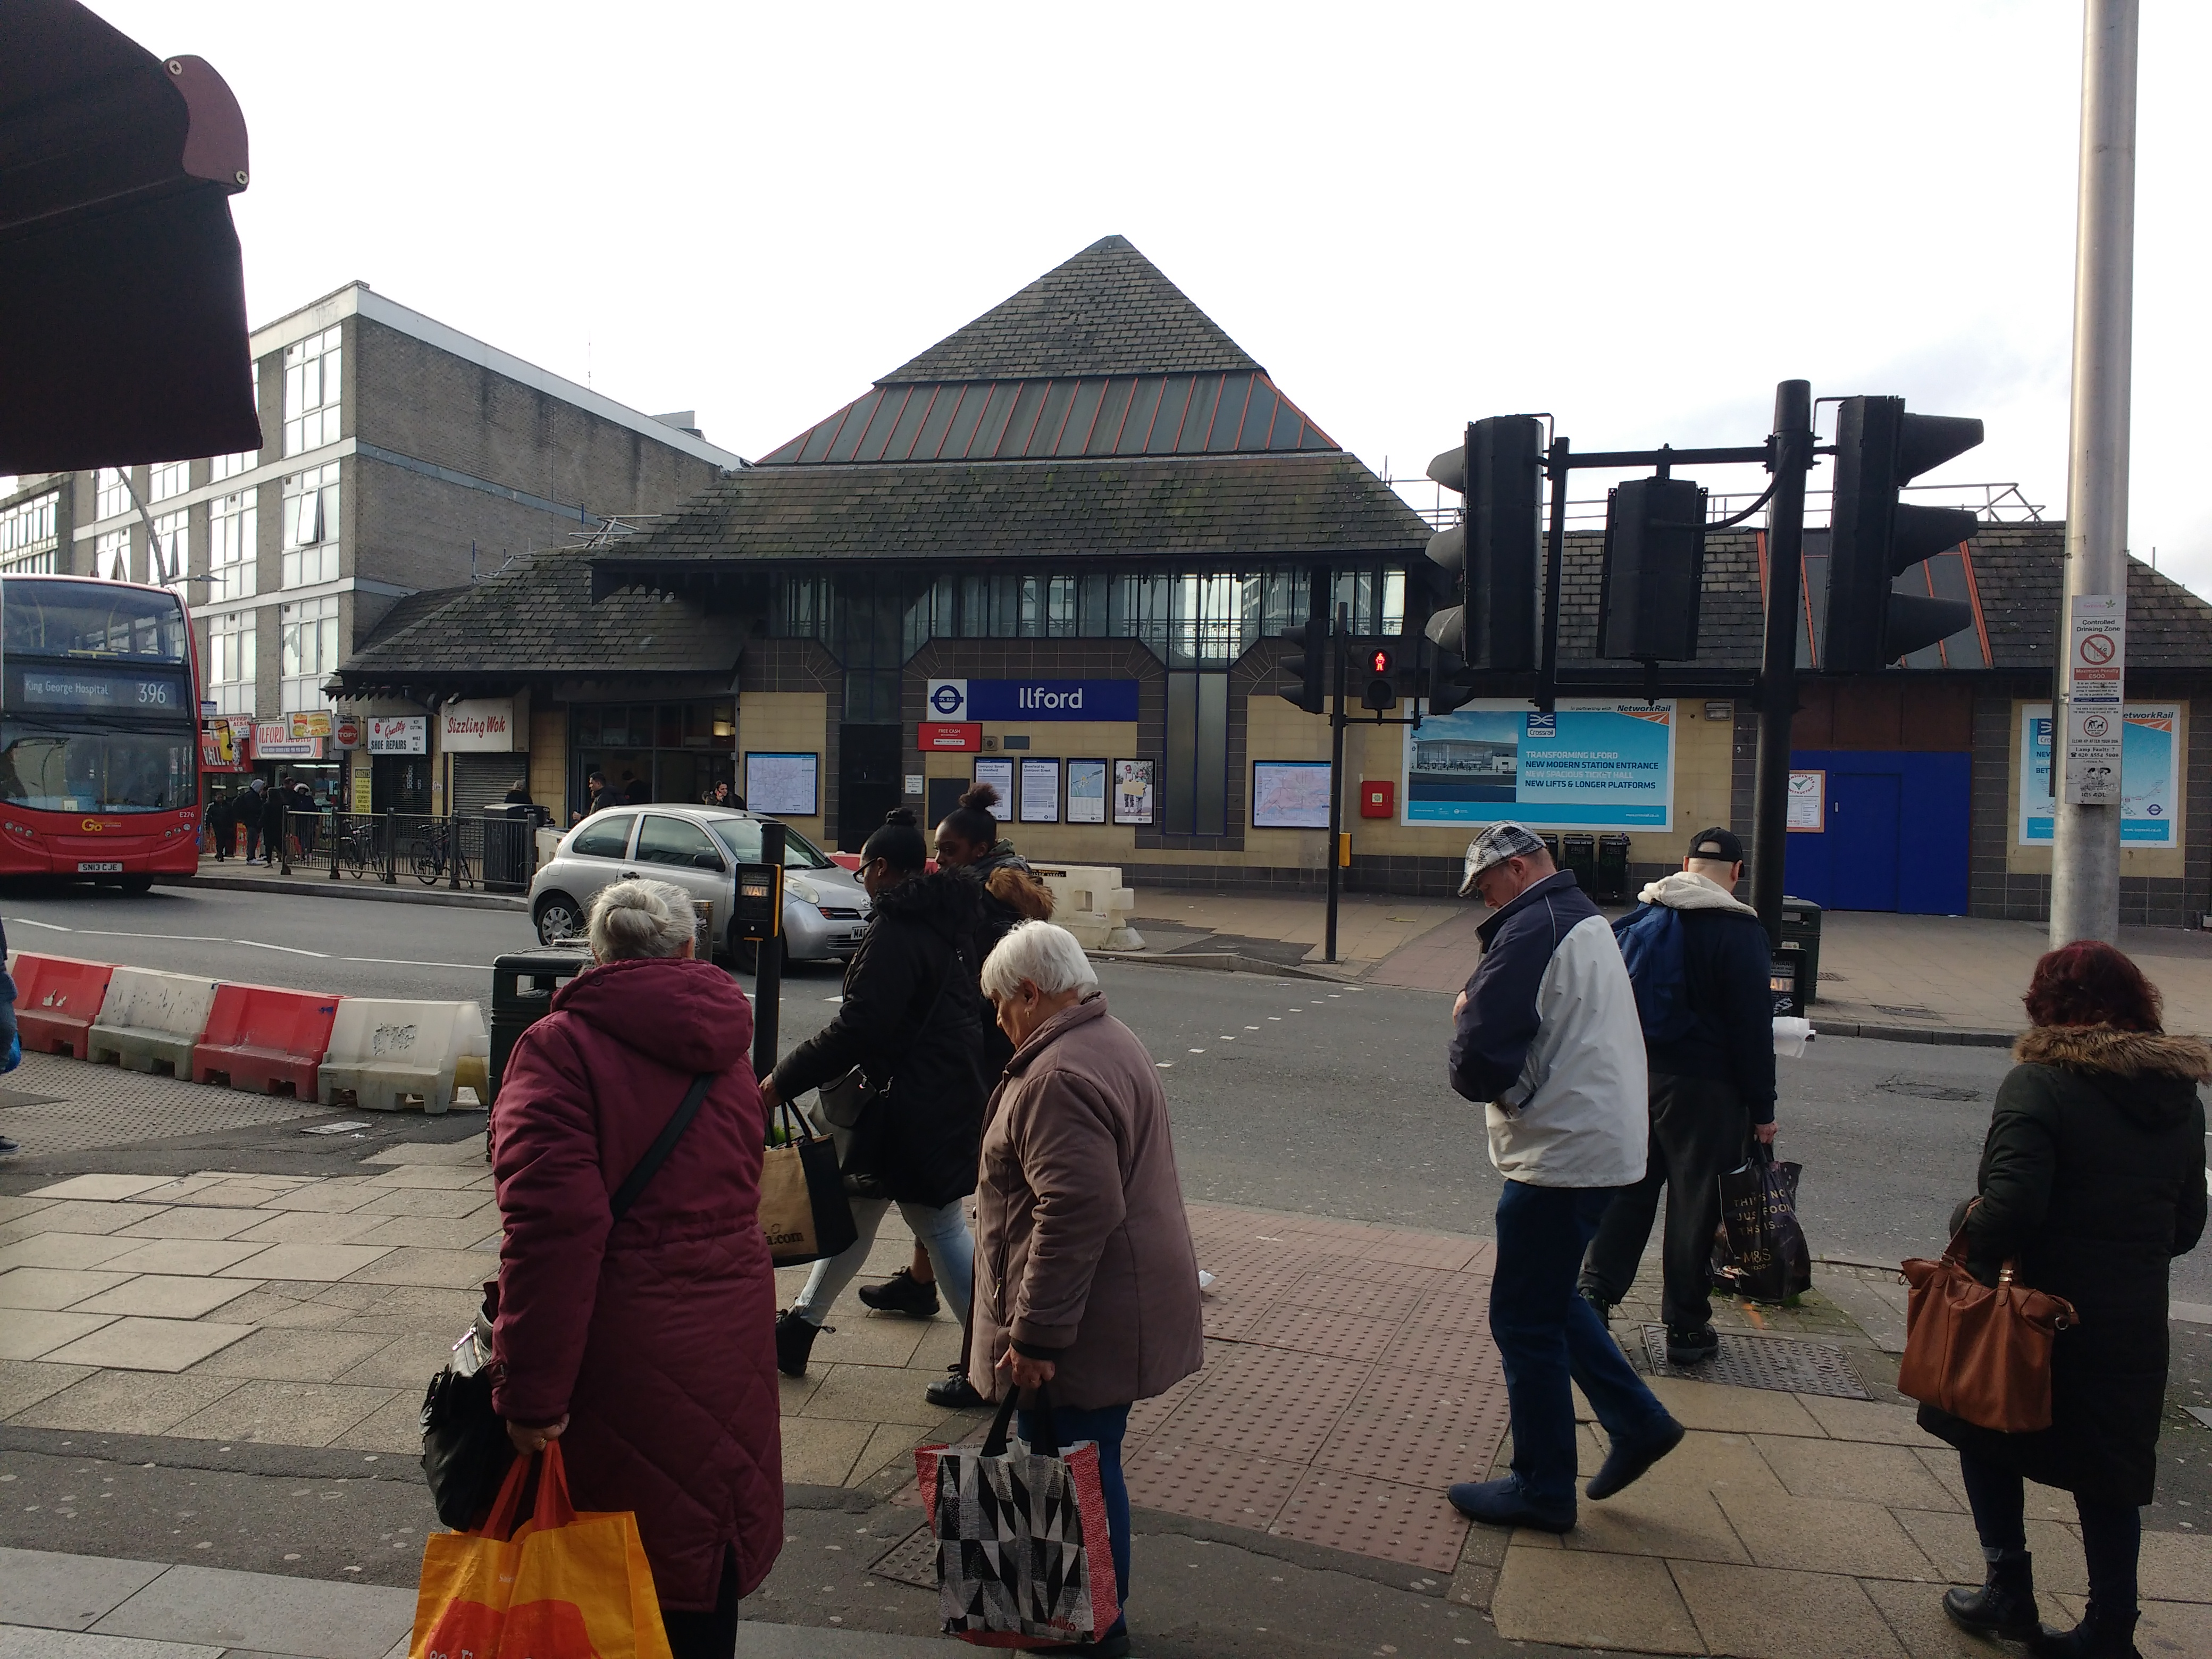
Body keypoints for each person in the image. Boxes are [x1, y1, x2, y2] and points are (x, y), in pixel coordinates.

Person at [491, 878, 781, 1659]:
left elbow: (553, 1233)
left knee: (609, 1584)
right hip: (730, 1335)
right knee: (699, 1559)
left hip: (621, 1347)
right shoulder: (727, 1047)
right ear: (689, 949)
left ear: (598, 954)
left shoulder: (560, 1049)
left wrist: (531, 1393)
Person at [1920, 941, 2206, 1657]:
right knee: (2109, 1473)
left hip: (2037, 1313)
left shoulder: (2040, 1083)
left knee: (1981, 1421)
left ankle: (2007, 1589)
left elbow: (2012, 1206)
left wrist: (1965, 1230)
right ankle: (2112, 1629)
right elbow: (2187, 1225)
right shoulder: (2178, 1095)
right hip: (2129, 1320)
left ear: (2047, 1008)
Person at [967, 920, 1204, 1659]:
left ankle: (1090, 1626)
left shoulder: (1057, 1075)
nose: (1001, 1026)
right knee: (1088, 1460)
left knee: (1074, 1465)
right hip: (1116, 1304)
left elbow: (1073, 1212)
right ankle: (1082, 1615)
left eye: (1002, 1009)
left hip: (1087, 1319)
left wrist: (1034, 1337)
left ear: (1031, 994)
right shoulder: (1107, 1038)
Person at [1444, 822, 1683, 1533]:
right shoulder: (1578, 917)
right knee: (1549, 1299)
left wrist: (1463, 1025)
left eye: (1485, 885)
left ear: (1517, 868)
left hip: (1563, 1152)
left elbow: (1483, 1052)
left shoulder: (1532, 927)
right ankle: (1638, 1421)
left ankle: (1543, 1486)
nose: (1483, 901)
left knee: (1521, 1317)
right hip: (1598, 1141)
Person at [761, 808, 990, 1389]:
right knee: (856, 1212)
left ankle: (988, 1364)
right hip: (937, 1091)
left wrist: (778, 1082)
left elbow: (859, 1027)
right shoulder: (947, 919)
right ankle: (799, 1329)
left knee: (939, 1226)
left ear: (882, 868)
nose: (861, 880)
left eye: (863, 871)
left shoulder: (898, 930)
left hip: (910, 1105)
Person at [857, 781, 1054, 1364]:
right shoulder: (1010, 887)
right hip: (995, 1047)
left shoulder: (976, 901)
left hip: (985, 1052)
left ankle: (991, 1337)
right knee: (940, 1187)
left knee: (978, 1194)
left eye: (944, 852)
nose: (936, 861)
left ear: (973, 850)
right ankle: (921, 1283)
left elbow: (975, 984)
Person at [1579, 826, 1778, 1365]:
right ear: (1736, 874)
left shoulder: (1642, 917)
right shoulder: (1738, 933)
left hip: (1636, 1078)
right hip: (1707, 1090)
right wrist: (1762, 1109)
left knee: (1628, 1190)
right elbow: (1750, 1030)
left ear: (1685, 863)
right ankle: (1685, 1327)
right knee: (1695, 1206)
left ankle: (1593, 1297)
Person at [262, 774, 289, 872]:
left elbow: (264, 816)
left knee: (269, 845)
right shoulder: (281, 805)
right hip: (279, 827)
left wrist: (260, 824)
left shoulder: (267, 805)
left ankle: (269, 862)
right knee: (280, 844)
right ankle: (286, 857)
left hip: (269, 828)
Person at [238, 776, 267, 864]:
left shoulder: (254, 796)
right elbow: (253, 808)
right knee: (252, 840)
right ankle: (250, 858)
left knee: (254, 840)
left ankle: (252, 857)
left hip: (253, 822)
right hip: (252, 822)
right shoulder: (252, 796)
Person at [290, 778, 318, 858]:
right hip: (299, 820)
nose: (302, 791)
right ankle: (300, 852)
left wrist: (316, 820)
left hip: (309, 820)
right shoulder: (295, 799)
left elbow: (314, 809)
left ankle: (309, 852)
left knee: (309, 836)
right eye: (300, 790)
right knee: (300, 837)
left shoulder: (309, 799)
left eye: (303, 790)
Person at [204, 791, 234, 862]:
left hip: (226, 826)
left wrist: (231, 825)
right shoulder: (212, 806)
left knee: (224, 840)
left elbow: (232, 816)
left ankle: (219, 853)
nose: (220, 799)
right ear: (215, 798)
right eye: (218, 797)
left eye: (221, 797)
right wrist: (207, 827)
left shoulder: (228, 806)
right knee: (219, 840)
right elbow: (208, 817)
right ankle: (220, 855)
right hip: (217, 826)